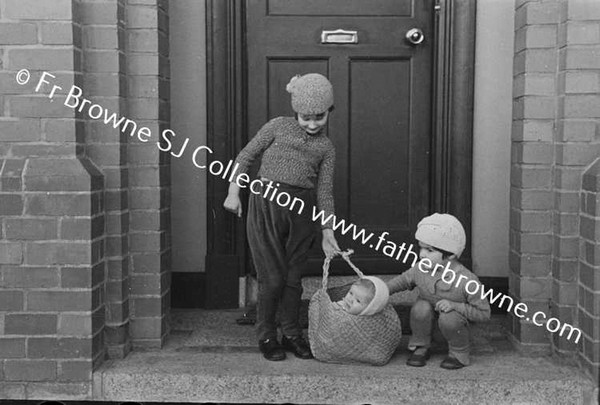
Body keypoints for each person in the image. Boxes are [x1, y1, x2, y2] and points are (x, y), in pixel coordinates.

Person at [223, 73, 341, 361]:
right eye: (305, 117)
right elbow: (246, 156)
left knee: (292, 279)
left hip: (301, 212)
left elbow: (324, 191)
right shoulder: (277, 126)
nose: (312, 124)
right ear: (295, 112)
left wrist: (328, 231)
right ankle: (266, 334)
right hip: (266, 205)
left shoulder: (326, 148)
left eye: (319, 117)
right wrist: (233, 192)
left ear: (329, 111)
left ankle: (291, 334)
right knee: (272, 279)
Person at [386, 213, 491, 369]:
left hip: (455, 329)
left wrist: (456, 306)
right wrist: (381, 290)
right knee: (420, 307)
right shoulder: (421, 269)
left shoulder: (467, 281)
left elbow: (484, 314)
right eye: (421, 248)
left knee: (449, 318)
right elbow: (401, 281)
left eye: (429, 250)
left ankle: (458, 353)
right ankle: (421, 346)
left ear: (451, 254)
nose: (422, 255)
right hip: (427, 326)